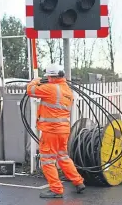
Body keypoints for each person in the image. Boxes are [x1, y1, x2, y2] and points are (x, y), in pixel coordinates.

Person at [26, 63, 85, 198]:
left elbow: (31, 90)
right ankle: (78, 182)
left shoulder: (50, 88)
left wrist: (36, 80)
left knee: (47, 160)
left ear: (51, 76)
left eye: (48, 76)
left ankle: (56, 189)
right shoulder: (67, 91)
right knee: (63, 157)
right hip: (63, 131)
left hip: (50, 131)